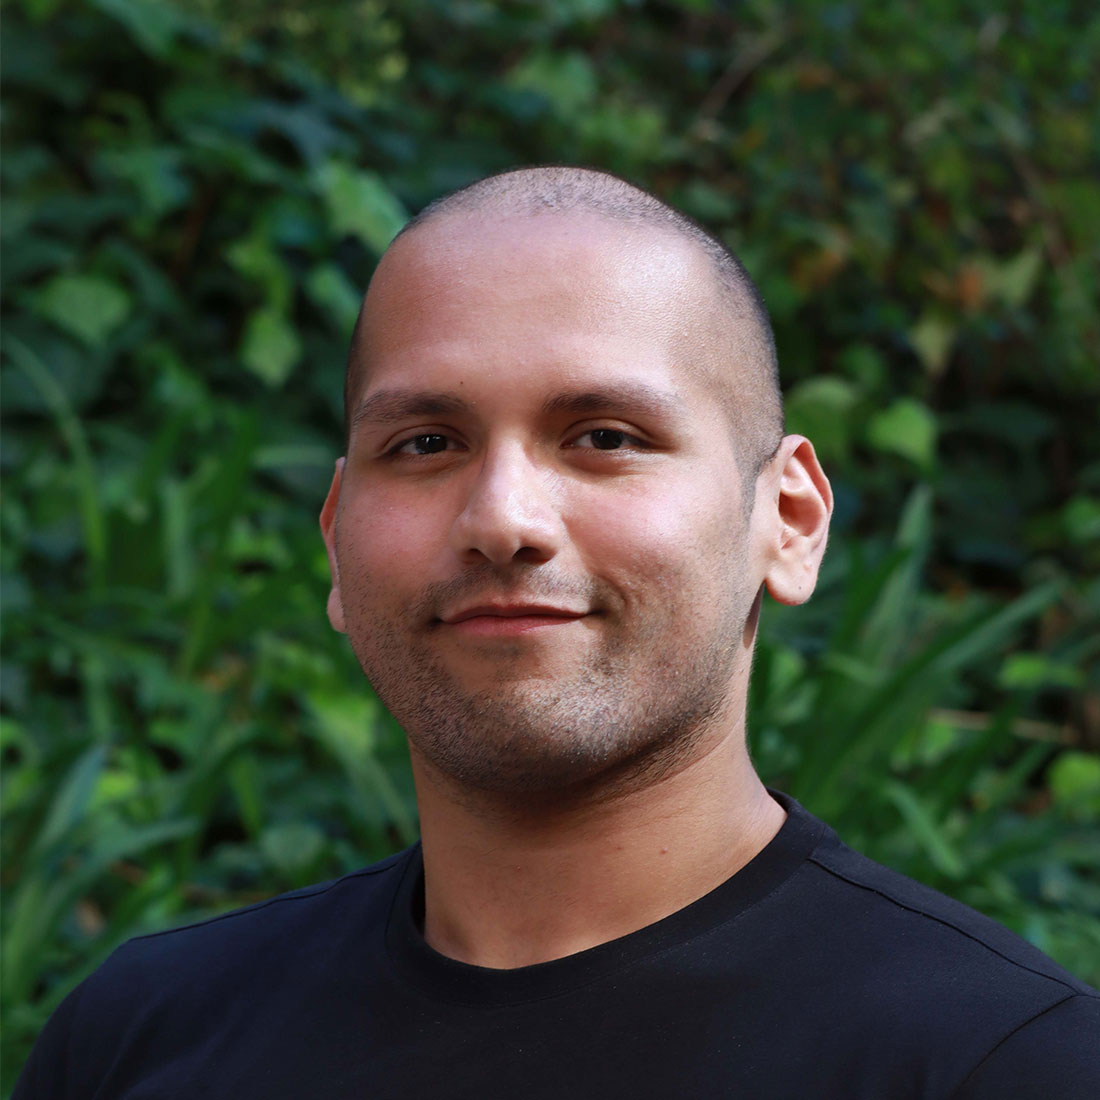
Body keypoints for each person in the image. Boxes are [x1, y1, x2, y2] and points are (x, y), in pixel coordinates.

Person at [15, 167, 1099, 1098]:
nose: (501, 520)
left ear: (789, 520)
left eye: (604, 436)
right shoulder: (138, 1041)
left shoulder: (997, 1064)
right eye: (427, 440)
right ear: (337, 537)